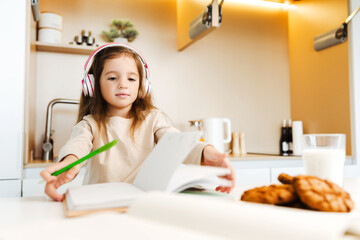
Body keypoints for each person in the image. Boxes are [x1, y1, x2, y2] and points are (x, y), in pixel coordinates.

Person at [40, 43, 236, 201]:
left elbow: (178, 142)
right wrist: (68, 166)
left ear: (143, 87)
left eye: (132, 79)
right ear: (93, 85)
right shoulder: (90, 124)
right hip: (101, 206)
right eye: (112, 77)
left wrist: (211, 154)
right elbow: (77, 147)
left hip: (144, 204)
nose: (123, 84)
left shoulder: (153, 119)